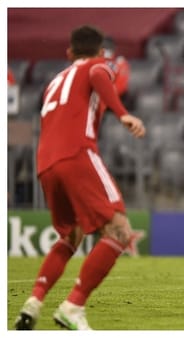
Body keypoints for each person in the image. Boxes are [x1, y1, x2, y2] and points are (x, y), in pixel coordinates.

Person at [14, 25, 145, 330]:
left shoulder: (54, 80)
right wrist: (122, 113)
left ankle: (33, 302)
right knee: (120, 232)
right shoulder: (98, 65)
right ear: (101, 52)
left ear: (69, 53)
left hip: (45, 164)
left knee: (70, 236)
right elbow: (99, 75)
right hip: (77, 154)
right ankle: (73, 306)